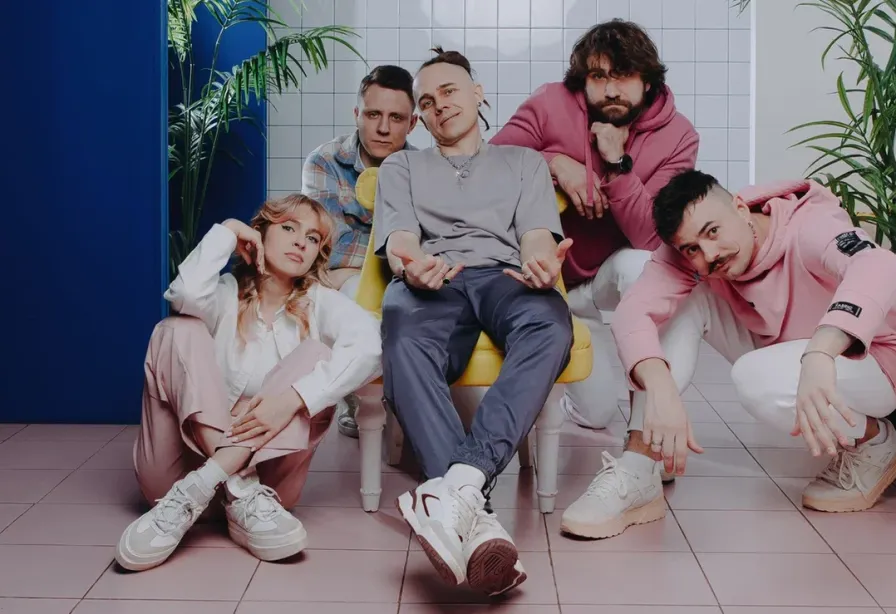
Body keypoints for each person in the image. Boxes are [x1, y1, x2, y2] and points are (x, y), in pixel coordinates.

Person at [559, 171, 896, 539]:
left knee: (754, 378)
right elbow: (633, 312)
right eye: (691, 249)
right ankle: (638, 468)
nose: (709, 254)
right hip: (781, 351)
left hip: (871, 360)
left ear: (741, 208)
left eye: (713, 231)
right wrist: (659, 384)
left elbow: (879, 265)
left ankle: (874, 442)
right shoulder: (695, 254)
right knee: (680, 302)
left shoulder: (808, 224)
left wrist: (821, 351)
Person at [375, 48, 573, 596]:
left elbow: (535, 235)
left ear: (478, 93)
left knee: (551, 324)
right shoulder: (402, 166)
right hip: (435, 276)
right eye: (427, 102)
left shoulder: (523, 163)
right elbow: (401, 238)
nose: (439, 105)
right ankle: (476, 515)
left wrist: (541, 263)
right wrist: (411, 267)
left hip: (505, 275)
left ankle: (458, 485)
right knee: (402, 333)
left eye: (450, 92)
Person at [115, 195, 382, 570]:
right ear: (260, 234)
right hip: (175, 476)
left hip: (269, 492)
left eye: (312, 238)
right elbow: (184, 294)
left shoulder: (320, 302)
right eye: (288, 228)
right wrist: (228, 231)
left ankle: (217, 490)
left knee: (316, 356)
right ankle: (233, 483)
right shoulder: (224, 292)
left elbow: (371, 344)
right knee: (176, 329)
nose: (300, 242)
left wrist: (290, 400)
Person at [490, 19, 699, 433]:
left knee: (645, 265)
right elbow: (490, 165)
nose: (611, 89)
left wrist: (618, 166)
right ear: (583, 79)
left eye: (623, 75)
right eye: (599, 76)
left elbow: (650, 236)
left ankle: (645, 431)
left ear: (648, 81)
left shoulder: (679, 137)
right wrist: (554, 163)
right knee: (597, 413)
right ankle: (560, 379)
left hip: (601, 277)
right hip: (540, 280)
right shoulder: (550, 103)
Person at [302, 64, 417, 438]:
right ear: (357, 114)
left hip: (404, 282)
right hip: (353, 287)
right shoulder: (324, 162)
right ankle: (361, 398)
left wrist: (358, 261)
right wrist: (391, 250)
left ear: (413, 124)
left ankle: (404, 400)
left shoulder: (422, 169)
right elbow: (329, 250)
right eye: (373, 114)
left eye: (396, 118)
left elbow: (429, 248)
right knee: (353, 296)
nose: (383, 128)